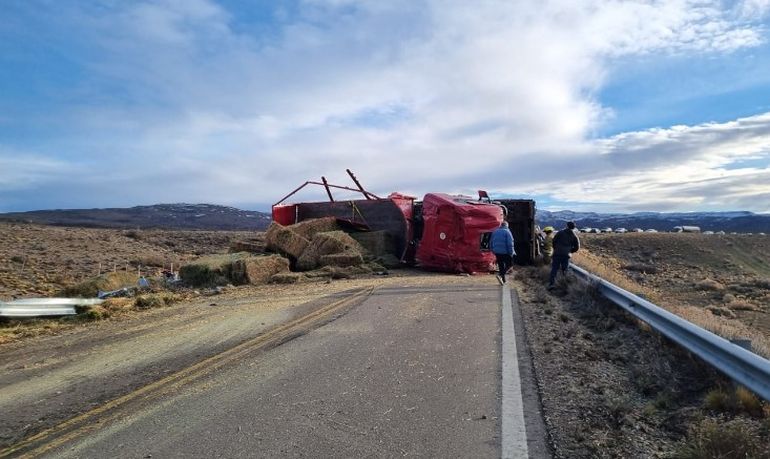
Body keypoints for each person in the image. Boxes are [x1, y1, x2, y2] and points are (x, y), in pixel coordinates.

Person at [548, 221, 580, 289]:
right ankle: (564, 285)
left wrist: (556, 249)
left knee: (554, 269)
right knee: (565, 270)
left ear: (567, 225)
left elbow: (554, 241)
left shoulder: (560, 232)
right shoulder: (574, 236)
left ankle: (551, 284)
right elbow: (577, 247)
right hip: (566, 255)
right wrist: (570, 251)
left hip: (557, 253)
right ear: (574, 227)